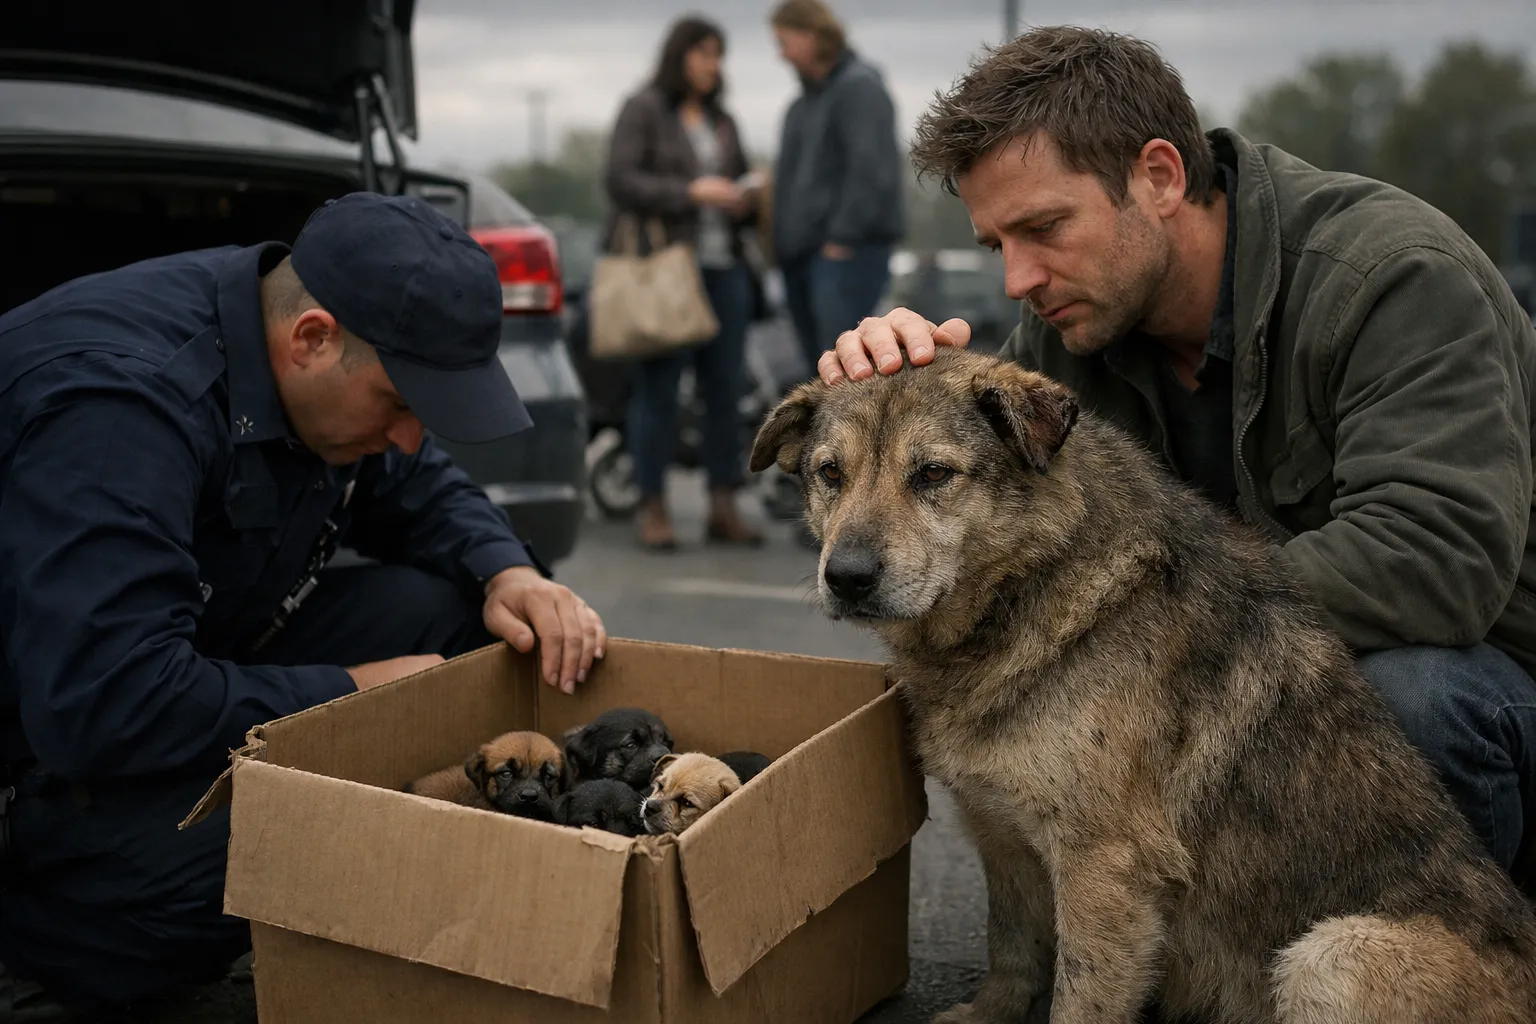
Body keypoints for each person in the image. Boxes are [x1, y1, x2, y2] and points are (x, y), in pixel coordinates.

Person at [819, 26, 1536, 894]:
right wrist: (898, 384)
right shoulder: (1072, 324)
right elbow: (988, 526)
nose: (1017, 279)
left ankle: (1452, 958)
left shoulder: (1394, 277)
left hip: (1493, 677)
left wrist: (1140, 625)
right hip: (1265, 675)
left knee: (1408, 699)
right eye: (995, 245)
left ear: (1158, 177)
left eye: (1044, 228)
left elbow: (1436, 561)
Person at [0, 191, 607, 1017]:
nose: (406, 437)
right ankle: (58, 943)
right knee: (288, 839)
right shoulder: (120, 412)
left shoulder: (302, 353)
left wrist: (510, 571)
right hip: (44, 746)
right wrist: (350, 697)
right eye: (399, 405)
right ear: (311, 339)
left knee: (465, 621)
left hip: (170, 662)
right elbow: (103, 700)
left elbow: (415, 482)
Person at [604, 15, 765, 552]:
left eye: (717, 55)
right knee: (659, 392)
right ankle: (653, 505)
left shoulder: (723, 120)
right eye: (702, 53)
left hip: (726, 270)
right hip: (669, 270)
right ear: (680, 56)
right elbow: (620, 179)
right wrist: (692, 192)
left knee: (724, 393)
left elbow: (734, 184)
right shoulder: (644, 108)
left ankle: (723, 504)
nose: (711, 65)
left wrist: (743, 197)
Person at [768, 0, 906, 381]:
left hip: (843, 255)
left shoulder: (859, 87)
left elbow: (871, 169)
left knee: (849, 373)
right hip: (803, 256)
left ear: (811, 35)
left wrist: (841, 239)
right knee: (822, 371)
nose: (781, 53)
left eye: (784, 40)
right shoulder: (803, 104)